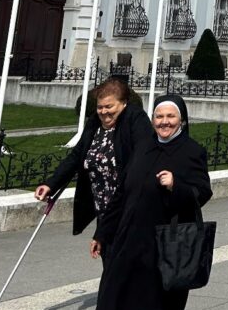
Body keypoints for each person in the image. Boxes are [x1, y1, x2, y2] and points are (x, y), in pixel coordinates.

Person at [87, 95, 213, 310]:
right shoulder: (143, 146)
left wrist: (176, 186)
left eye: (170, 117)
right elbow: (121, 192)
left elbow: (202, 192)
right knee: (127, 289)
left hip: (166, 238)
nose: (164, 122)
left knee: (150, 296)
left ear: (181, 119)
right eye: (159, 117)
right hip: (133, 234)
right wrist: (102, 232)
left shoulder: (191, 151)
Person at [35, 79, 153, 248]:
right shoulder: (95, 123)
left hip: (129, 208)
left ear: (124, 103)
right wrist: (51, 184)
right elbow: (77, 156)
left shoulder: (135, 118)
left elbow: (140, 159)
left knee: (123, 268)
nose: (104, 112)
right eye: (100, 107)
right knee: (111, 263)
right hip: (104, 210)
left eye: (109, 106)